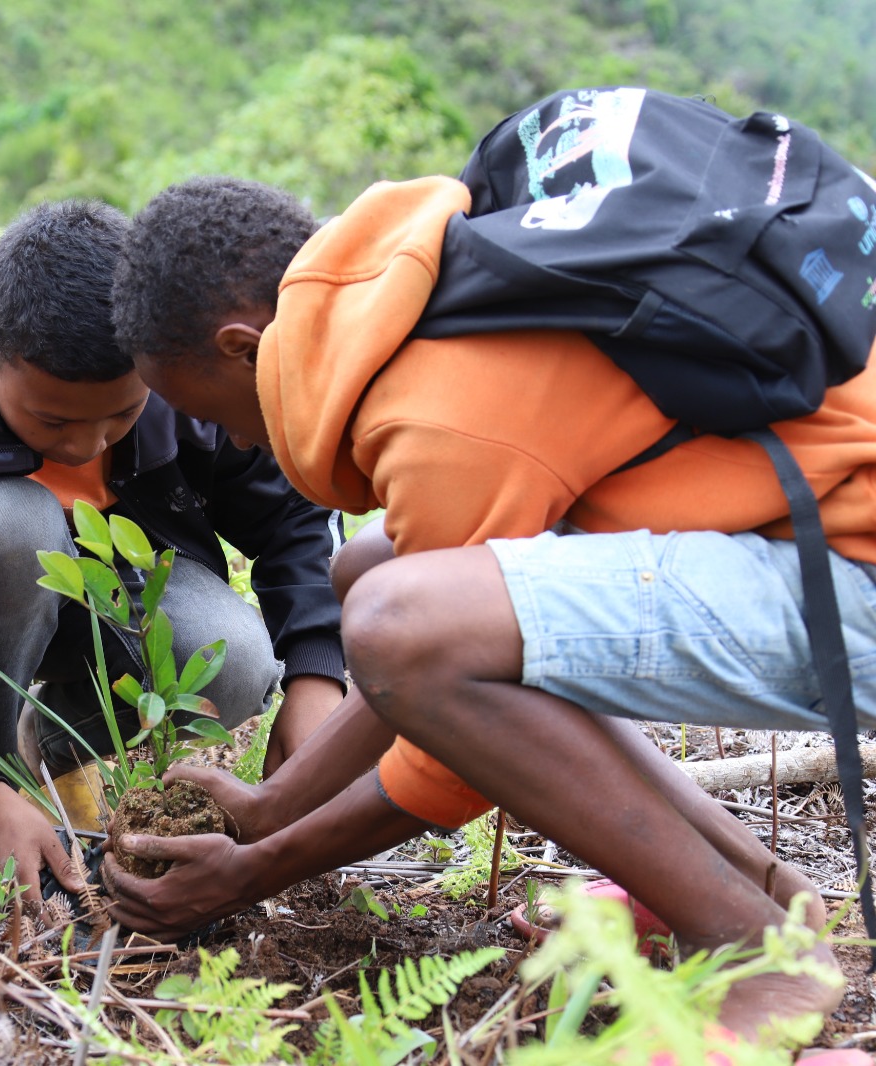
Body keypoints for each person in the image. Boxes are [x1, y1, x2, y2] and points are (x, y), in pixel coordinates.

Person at [100, 172, 876, 1049]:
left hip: (853, 584)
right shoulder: (432, 286)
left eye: (223, 420)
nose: (242, 443)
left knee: (400, 616)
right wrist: (273, 804)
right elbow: (415, 650)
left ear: (244, 347)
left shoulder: (437, 417)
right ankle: (764, 895)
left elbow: (441, 735)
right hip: (811, 539)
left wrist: (255, 870)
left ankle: (758, 956)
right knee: (374, 569)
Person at [0, 199, 347, 882]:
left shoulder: (180, 379)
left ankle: (53, 755)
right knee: (12, 525)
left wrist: (318, 672)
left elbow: (294, 515)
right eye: (54, 422)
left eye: (120, 417)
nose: (87, 443)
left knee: (231, 659)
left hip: (109, 591)